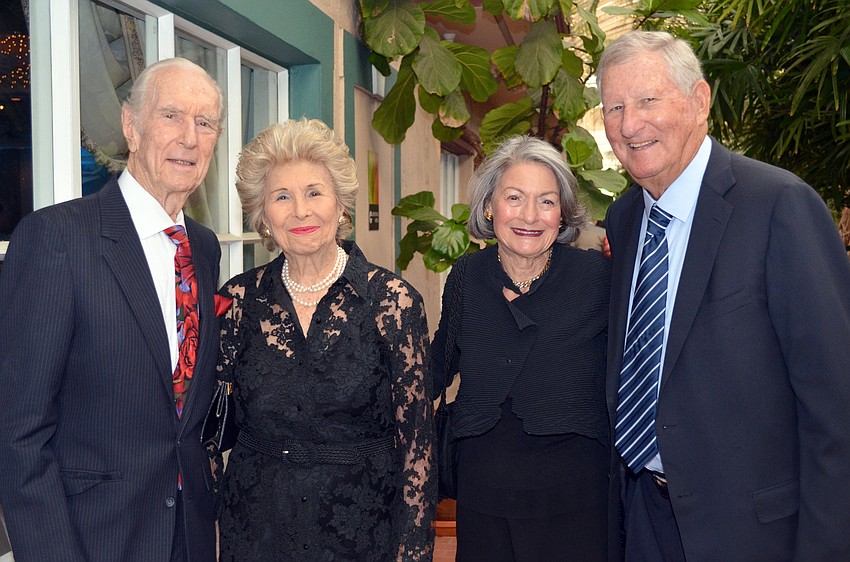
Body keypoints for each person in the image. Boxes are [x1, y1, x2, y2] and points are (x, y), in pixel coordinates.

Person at [599, 30, 850, 561]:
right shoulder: (624, 220)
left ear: (698, 101)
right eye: (614, 106)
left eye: (647, 100)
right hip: (646, 521)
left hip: (753, 534)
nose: (628, 124)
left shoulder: (780, 206)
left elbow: (836, 405)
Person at [0, 57, 224, 562]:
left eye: (205, 122)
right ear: (131, 126)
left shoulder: (203, 249)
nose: (189, 137)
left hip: (189, 538)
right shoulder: (56, 238)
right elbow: (18, 434)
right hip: (93, 540)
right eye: (171, 115)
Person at [215, 118, 435, 561]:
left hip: (361, 537)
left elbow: (418, 448)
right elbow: (205, 428)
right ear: (262, 214)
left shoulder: (392, 303)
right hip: (256, 535)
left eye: (314, 192)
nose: (300, 211)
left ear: (340, 205)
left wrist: (411, 553)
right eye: (282, 197)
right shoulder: (235, 302)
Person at [431, 135, 614, 561]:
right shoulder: (467, 275)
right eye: (515, 197)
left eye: (547, 201)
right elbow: (438, 366)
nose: (530, 215)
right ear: (490, 205)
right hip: (484, 491)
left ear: (563, 213)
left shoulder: (597, 278)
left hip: (575, 494)